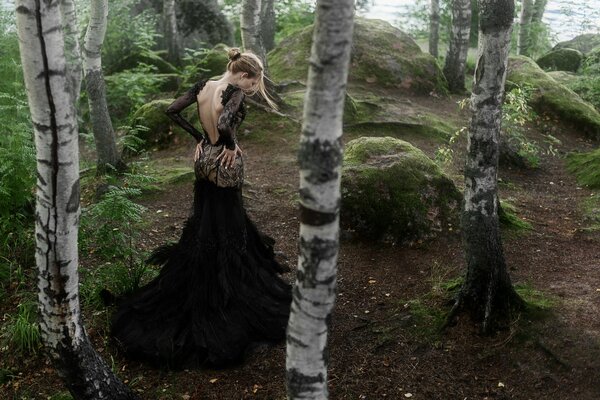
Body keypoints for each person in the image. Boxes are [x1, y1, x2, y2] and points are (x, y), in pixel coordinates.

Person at [108, 48, 292, 369]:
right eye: (254, 81)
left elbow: (171, 110)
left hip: (203, 160)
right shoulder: (232, 92)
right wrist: (231, 146)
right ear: (243, 74)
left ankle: (207, 277)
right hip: (223, 162)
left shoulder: (203, 86)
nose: (252, 88)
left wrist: (199, 139)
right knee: (229, 223)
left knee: (207, 220)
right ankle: (227, 291)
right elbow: (223, 123)